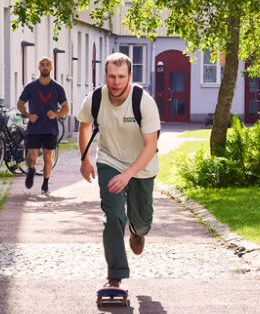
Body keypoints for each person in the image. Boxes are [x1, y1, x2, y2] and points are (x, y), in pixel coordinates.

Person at [77, 52, 160, 291]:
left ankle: (138, 231)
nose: (116, 82)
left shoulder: (143, 102)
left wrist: (128, 175)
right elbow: (85, 126)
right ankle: (115, 275)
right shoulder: (95, 98)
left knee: (142, 221)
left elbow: (150, 146)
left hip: (141, 167)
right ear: (105, 75)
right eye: (112, 76)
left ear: (130, 76)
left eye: (121, 76)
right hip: (110, 161)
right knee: (113, 216)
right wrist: (85, 159)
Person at [17, 57, 68, 194]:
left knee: (47, 157)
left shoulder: (57, 88)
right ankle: (31, 170)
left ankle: (45, 184)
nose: (45, 67)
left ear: (51, 68)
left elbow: (66, 108)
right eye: (42, 65)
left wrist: (56, 114)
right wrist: (28, 115)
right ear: (38, 68)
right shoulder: (31, 87)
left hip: (50, 129)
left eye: (48, 65)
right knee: (32, 157)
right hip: (34, 128)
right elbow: (20, 103)